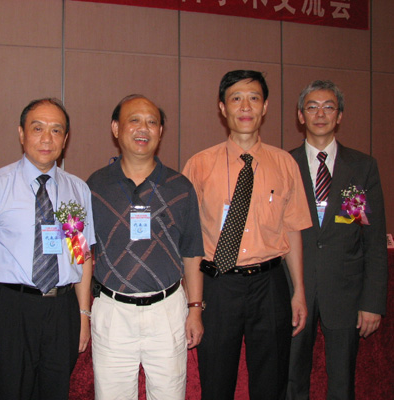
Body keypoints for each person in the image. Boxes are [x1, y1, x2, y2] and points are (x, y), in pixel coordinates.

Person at [183, 70, 312, 400]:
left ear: (265, 107)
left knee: (272, 382)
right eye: (236, 99)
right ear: (222, 108)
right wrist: (194, 303)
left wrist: (298, 291)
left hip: (270, 285)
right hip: (218, 285)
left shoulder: (284, 163)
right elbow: (189, 241)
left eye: (254, 98)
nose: (245, 107)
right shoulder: (199, 165)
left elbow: (292, 229)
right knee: (216, 382)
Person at [0, 98, 95, 400]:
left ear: (65, 139)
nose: (46, 138)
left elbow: (81, 256)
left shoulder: (78, 189)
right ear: (21, 133)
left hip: (62, 310)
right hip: (12, 308)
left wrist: (83, 315)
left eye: (56, 130)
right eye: (37, 128)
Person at [87, 94, 204, 400]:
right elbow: (84, 254)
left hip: (167, 311)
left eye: (152, 122)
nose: (144, 128)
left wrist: (195, 309)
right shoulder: (95, 186)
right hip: (113, 312)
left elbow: (192, 252)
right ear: (116, 128)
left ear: (160, 131)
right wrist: (83, 311)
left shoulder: (181, 187)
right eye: (134, 120)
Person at [286, 80, 388, 400]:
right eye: (312, 107)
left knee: (343, 384)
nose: (320, 114)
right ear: (300, 115)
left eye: (328, 107)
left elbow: (373, 240)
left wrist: (372, 303)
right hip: (294, 290)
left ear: (339, 116)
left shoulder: (361, 167)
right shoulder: (284, 165)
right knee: (291, 381)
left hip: (346, 292)